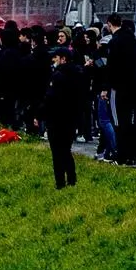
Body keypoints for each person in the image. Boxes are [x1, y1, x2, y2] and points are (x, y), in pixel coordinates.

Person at [36, 47, 83, 189]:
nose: (53, 60)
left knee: (57, 152)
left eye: (55, 58)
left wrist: (39, 115)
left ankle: (60, 183)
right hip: (72, 118)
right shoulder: (79, 74)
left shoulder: (58, 75)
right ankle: (72, 180)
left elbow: (50, 98)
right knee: (66, 150)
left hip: (56, 119)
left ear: (63, 59)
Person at [101, 14, 136, 165]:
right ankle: (132, 155)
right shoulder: (132, 40)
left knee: (118, 122)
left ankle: (121, 156)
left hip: (118, 87)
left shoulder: (115, 41)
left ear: (109, 24)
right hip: (132, 85)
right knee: (129, 121)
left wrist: (105, 87)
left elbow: (111, 67)